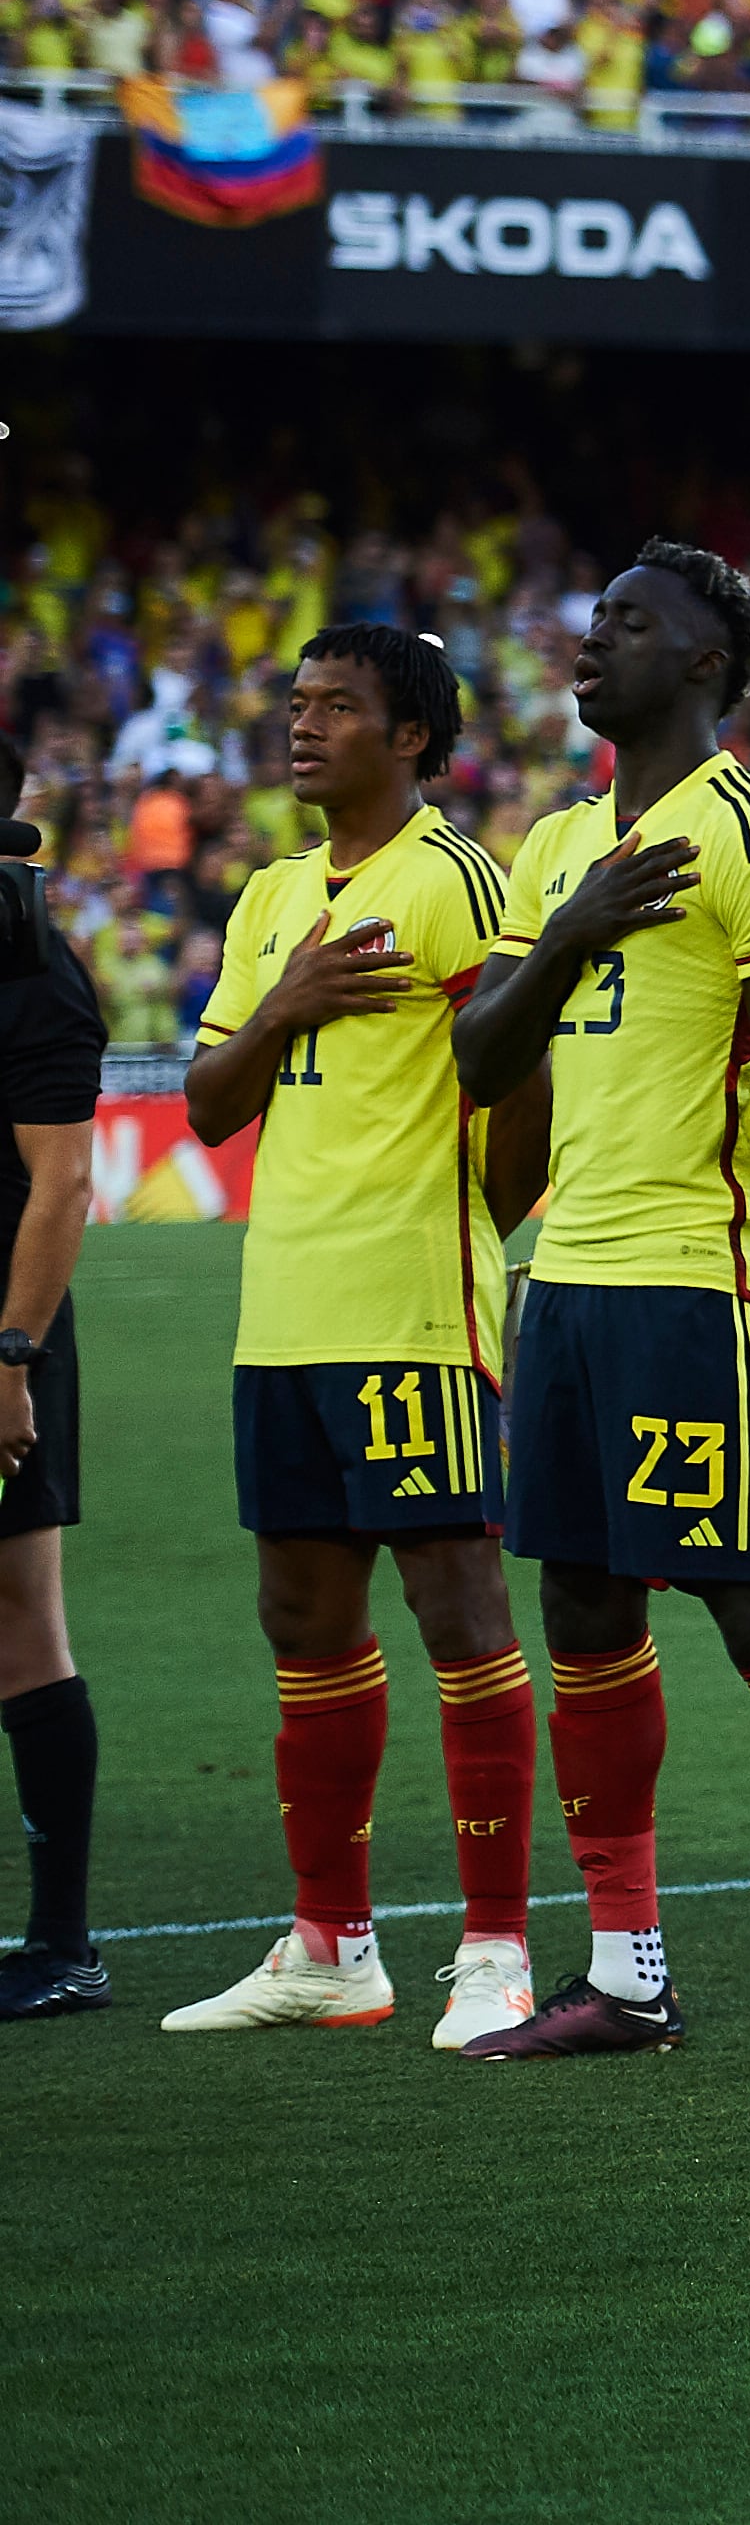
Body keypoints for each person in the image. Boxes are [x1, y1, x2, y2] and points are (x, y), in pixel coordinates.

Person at [445, 543, 750, 2071]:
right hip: (563, 1280)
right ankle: (626, 1972)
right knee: (580, 1603)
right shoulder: (557, 848)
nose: (592, 642)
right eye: (594, 618)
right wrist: (566, 935)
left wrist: (721, 1195)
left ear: (703, 663)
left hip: (699, 1285)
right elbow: (485, 1061)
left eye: (630, 623)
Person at [157, 628, 553, 2048]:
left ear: (412, 737)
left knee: (459, 1611)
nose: (302, 723)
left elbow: (530, 1086)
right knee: (303, 1622)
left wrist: (455, 1235)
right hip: (285, 1310)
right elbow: (208, 1102)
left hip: (410, 1308)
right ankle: (332, 1945)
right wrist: (285, 1006)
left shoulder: (454, 880)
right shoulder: (270, 896)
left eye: (338, 706)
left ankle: (497, 1949)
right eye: (296, 701)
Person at [0, 745, 110, 2023]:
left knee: (21, 1623)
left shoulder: (30, 968)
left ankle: (62, 1939)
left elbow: (62, 1182)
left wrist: (13, 1357)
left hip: (0, 1335)